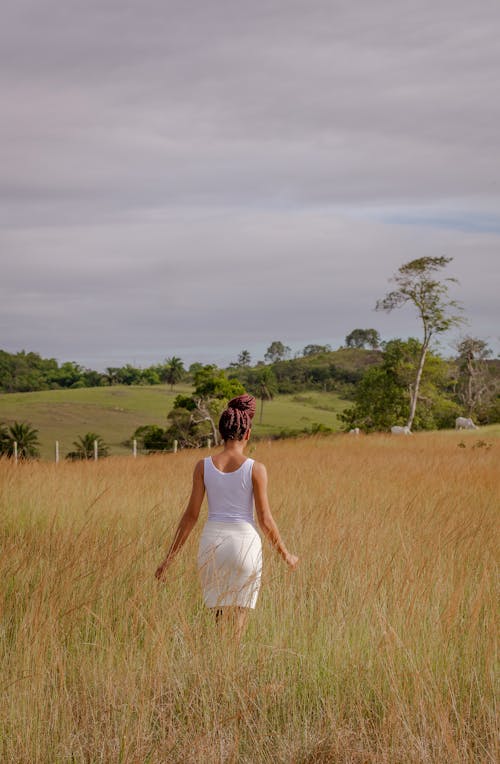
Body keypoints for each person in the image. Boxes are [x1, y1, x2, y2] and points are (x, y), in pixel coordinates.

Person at [155, 393, 298, 640]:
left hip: (213, 545)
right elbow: (265, 520)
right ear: (248, 434)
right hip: (245, 545)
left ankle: (219, 664)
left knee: (219, 619)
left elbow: (190, 517)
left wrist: (168, 559)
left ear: (220, 432)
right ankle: (231, 665)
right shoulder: (256, 468)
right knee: (239, 620)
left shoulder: (203, 466)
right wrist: (286, 555)